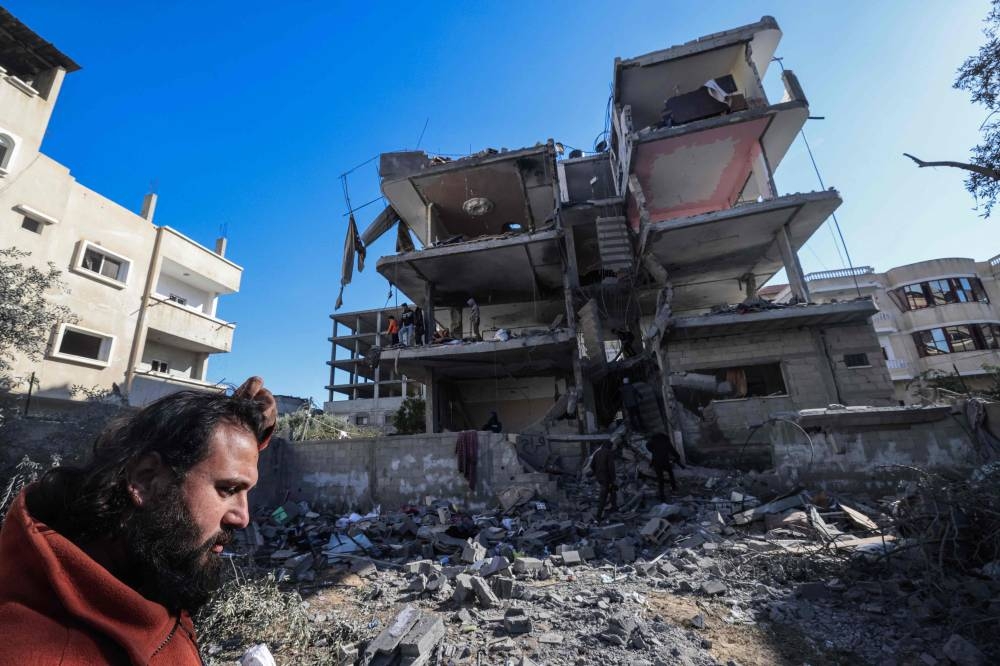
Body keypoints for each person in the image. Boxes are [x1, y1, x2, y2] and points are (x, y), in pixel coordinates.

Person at [0, 377, 277, 664]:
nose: (243, 517)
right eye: (228, 490)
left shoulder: (146, 556)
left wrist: (248, 428)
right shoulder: (37, 650)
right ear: (146, 479)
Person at [645, 432, 685, 501]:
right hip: (665, 461)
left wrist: (653, 451)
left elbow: (647, 445)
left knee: (660, 480)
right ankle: (674, 487)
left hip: (656, 462)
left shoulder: (652, 441)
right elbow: (672, 450)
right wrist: (677, 457)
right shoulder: (666, 441)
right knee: (670, 474)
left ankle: (662, 497)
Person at [591, 441, 618, 520]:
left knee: (613, 492)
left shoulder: (597, 453)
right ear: (609, 446)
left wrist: (596, 473)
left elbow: (592, 465)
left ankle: (614, 509)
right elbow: (611, 467)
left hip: (600, 478)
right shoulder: (609, 453)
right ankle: (598, 516)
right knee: (604, 496)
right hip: (607, 478)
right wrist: (613, 479)